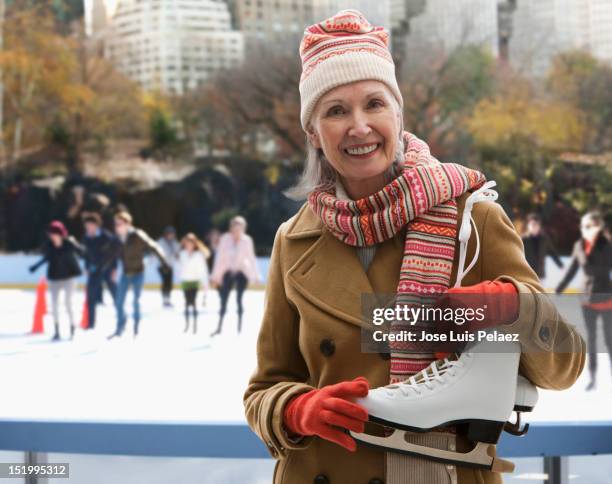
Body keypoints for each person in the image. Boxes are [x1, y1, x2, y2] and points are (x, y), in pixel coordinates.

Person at [243, 10, 585, 484]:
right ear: (314, 134)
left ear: (398, 112)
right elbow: (265, 388)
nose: (359, 126)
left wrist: (515, 308)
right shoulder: (293, 241)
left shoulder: (472, 219)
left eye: (374, 104)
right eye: (335, 111)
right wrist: (296, 410)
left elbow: (565, 367)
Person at [556, 211, 612, 391]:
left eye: (588, 226)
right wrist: (559, 288)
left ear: (598, 227)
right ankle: (593, 378)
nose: (584, 229)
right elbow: (572, 269)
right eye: (583, 226)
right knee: (592, 340)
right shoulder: (579, 245)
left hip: (606, 298)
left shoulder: (607, 245)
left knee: (610, 340)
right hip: (587, 299)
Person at [110, 211, 170, 339]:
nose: (117, 227)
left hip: (138, 272)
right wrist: (111, 268)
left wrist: (164, 262)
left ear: (127, 224)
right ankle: (120, 326)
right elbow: (112, 255)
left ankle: (136, 327)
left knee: (136, 300)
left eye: (119, 224)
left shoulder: (137, 235)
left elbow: (154, 246)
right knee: (119, 301)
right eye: (115, 224)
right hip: (125, 273)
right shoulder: (118, 239)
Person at [29, 221, 83, 341]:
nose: (52, 236)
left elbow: (82, 252)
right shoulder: (49, 245)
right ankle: (57, 330)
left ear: (60, 234)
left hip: (69, 278)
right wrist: (35, 267)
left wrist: (76, 245)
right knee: (54, 305)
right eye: (51, 234)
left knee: (68, 303)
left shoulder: (69, 243)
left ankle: (72, 327)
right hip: (54, 278)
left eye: (55, 234)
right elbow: (45, 258)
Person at [210, 216, 260, 336]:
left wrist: (256, 275)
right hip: (227, 271)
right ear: (231, 228)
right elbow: (219, 258)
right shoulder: (225, 239)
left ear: (243, 228)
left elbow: (251, 258)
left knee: (239, 298)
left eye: (240, 228)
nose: (237, 231)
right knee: (224, 299)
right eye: (235, 228)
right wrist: (215, 275)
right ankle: (219, 327)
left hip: (241, 271)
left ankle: (239, 328)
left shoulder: (247, 240)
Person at [82, 213, 120, 330]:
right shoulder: (86, 238)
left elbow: (114, 253)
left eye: (91, 225)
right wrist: (87, 267)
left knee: (116, 296)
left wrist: (114, 269)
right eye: (87, 225)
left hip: (107, 269)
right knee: (90, 297)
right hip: (94, 270)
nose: (89, 227)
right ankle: (91, 323)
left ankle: (121, 320)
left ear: (96, 225)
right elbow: (86, 254)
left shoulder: (106, 236)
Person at [178, 233, 210, 334]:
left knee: (194, 302)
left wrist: (204, 283)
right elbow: (179, 267)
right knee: (187, 303)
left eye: (191, 243)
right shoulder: (182, 254)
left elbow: (202, 270)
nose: (189, 245)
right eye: (187, 243)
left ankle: (195, 325)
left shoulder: (198, 255)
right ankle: (187, 325)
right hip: (185, 281)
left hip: (195, 281)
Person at [521, 213, 563, 280]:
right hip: (527, 275)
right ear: (528, 225)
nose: (534, 226)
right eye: (532, 224)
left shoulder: (544, 239)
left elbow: (552, 252)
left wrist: (560, 265)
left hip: (540, 274)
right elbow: (518, 255)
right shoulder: (523, 239)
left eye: (536, 224)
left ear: (539, 225)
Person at [157, 226, 181, 307]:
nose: (171, 235)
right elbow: (159, 253)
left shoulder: (175, 242)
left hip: (170, 266)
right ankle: (165, 298)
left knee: (169, 283)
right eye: (170, 233)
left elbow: (178, 252)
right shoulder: (161, 242)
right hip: (162, 265)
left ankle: (168, 298)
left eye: (173, 234)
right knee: (165, 282)